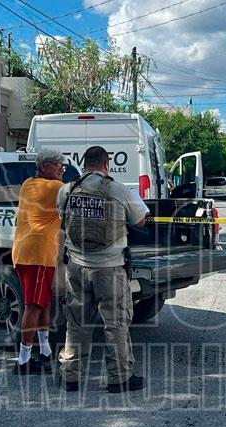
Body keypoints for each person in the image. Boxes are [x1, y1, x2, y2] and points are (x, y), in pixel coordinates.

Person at [57, 146, 150, 393]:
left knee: (76, 322)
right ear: (106, 165)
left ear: (84, 164)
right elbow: (140, 221)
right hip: (109, 269)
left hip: (76, 267)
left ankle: (70, 377)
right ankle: (120, 378)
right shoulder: (118, 190)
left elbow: (62, 220)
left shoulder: (67, 190)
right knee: (116, 323)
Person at [12, 149, 66, 373]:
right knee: (33, 305)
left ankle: (45, 351)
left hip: (26, 252)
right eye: (57, 165)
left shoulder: (27, 183)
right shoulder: (55, 188)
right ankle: (23, 360)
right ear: (44, 166)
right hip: (38, 254)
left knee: (44, 302)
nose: (62, 169)